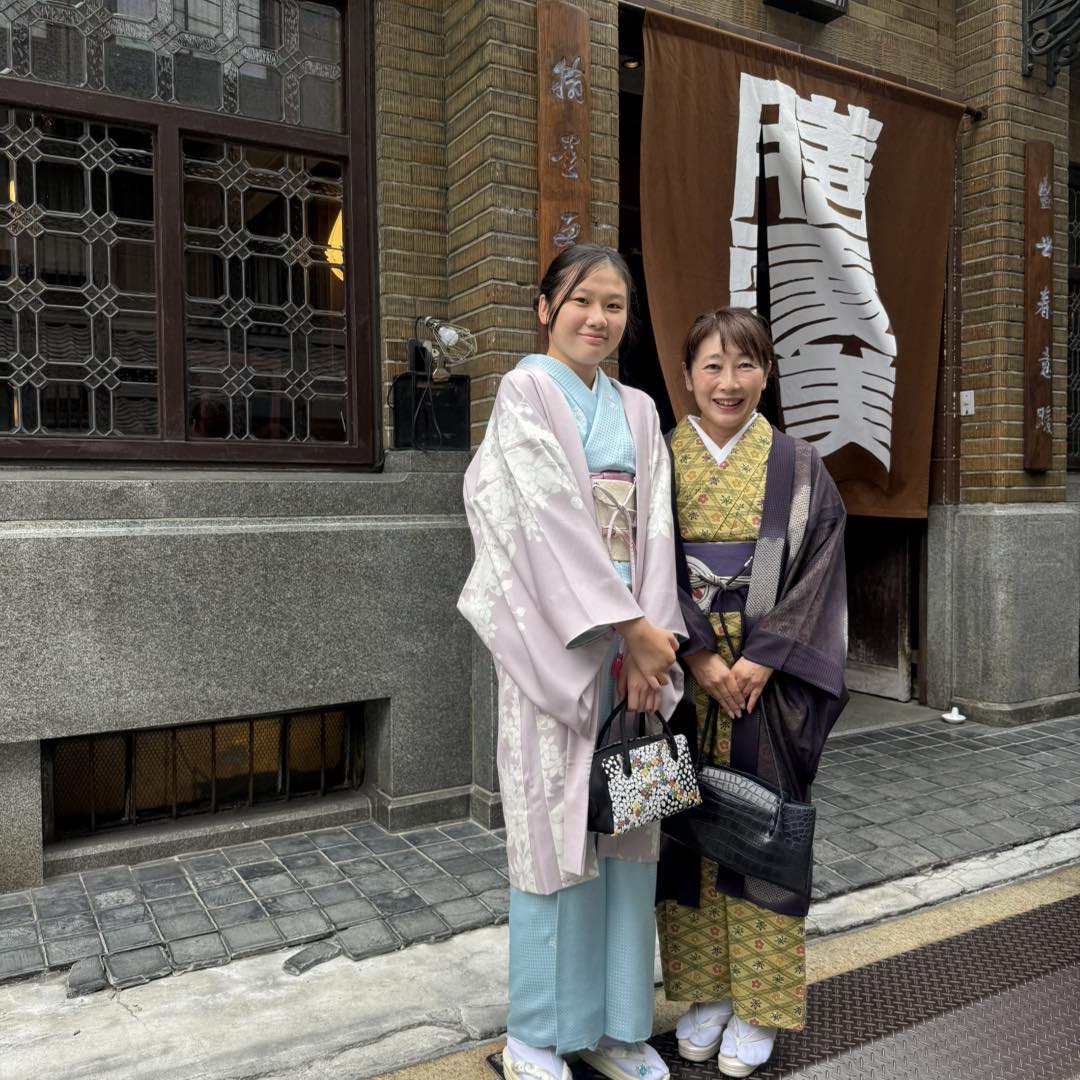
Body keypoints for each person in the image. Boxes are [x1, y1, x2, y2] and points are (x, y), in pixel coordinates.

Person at [458, 244, 686, 1080]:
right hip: (557, 649)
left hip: (634, 657)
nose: (599, 318)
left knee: (628, 836)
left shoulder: (638, 409)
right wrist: (626, 626)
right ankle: (535, 1035)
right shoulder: (524, 393)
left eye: (615, 305)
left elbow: (655, 529)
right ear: (545, 307)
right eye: (583, 300)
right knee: (554, 840)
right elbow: (544, 520)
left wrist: (651, 647)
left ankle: (618, 1027)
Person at [656, 308, 848, 1078]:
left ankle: (760, 1004)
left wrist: (765, 657)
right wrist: (699, 654)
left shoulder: (800, 465)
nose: (728, 382)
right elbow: (643, 561)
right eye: (711, 365)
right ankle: (704, 993)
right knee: (684, 835)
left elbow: (821, 565)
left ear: (767, 373)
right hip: (680, 678)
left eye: (745, 365)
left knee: (765, 833)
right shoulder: (661, 457)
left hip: (769, 685)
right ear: (687, 375)